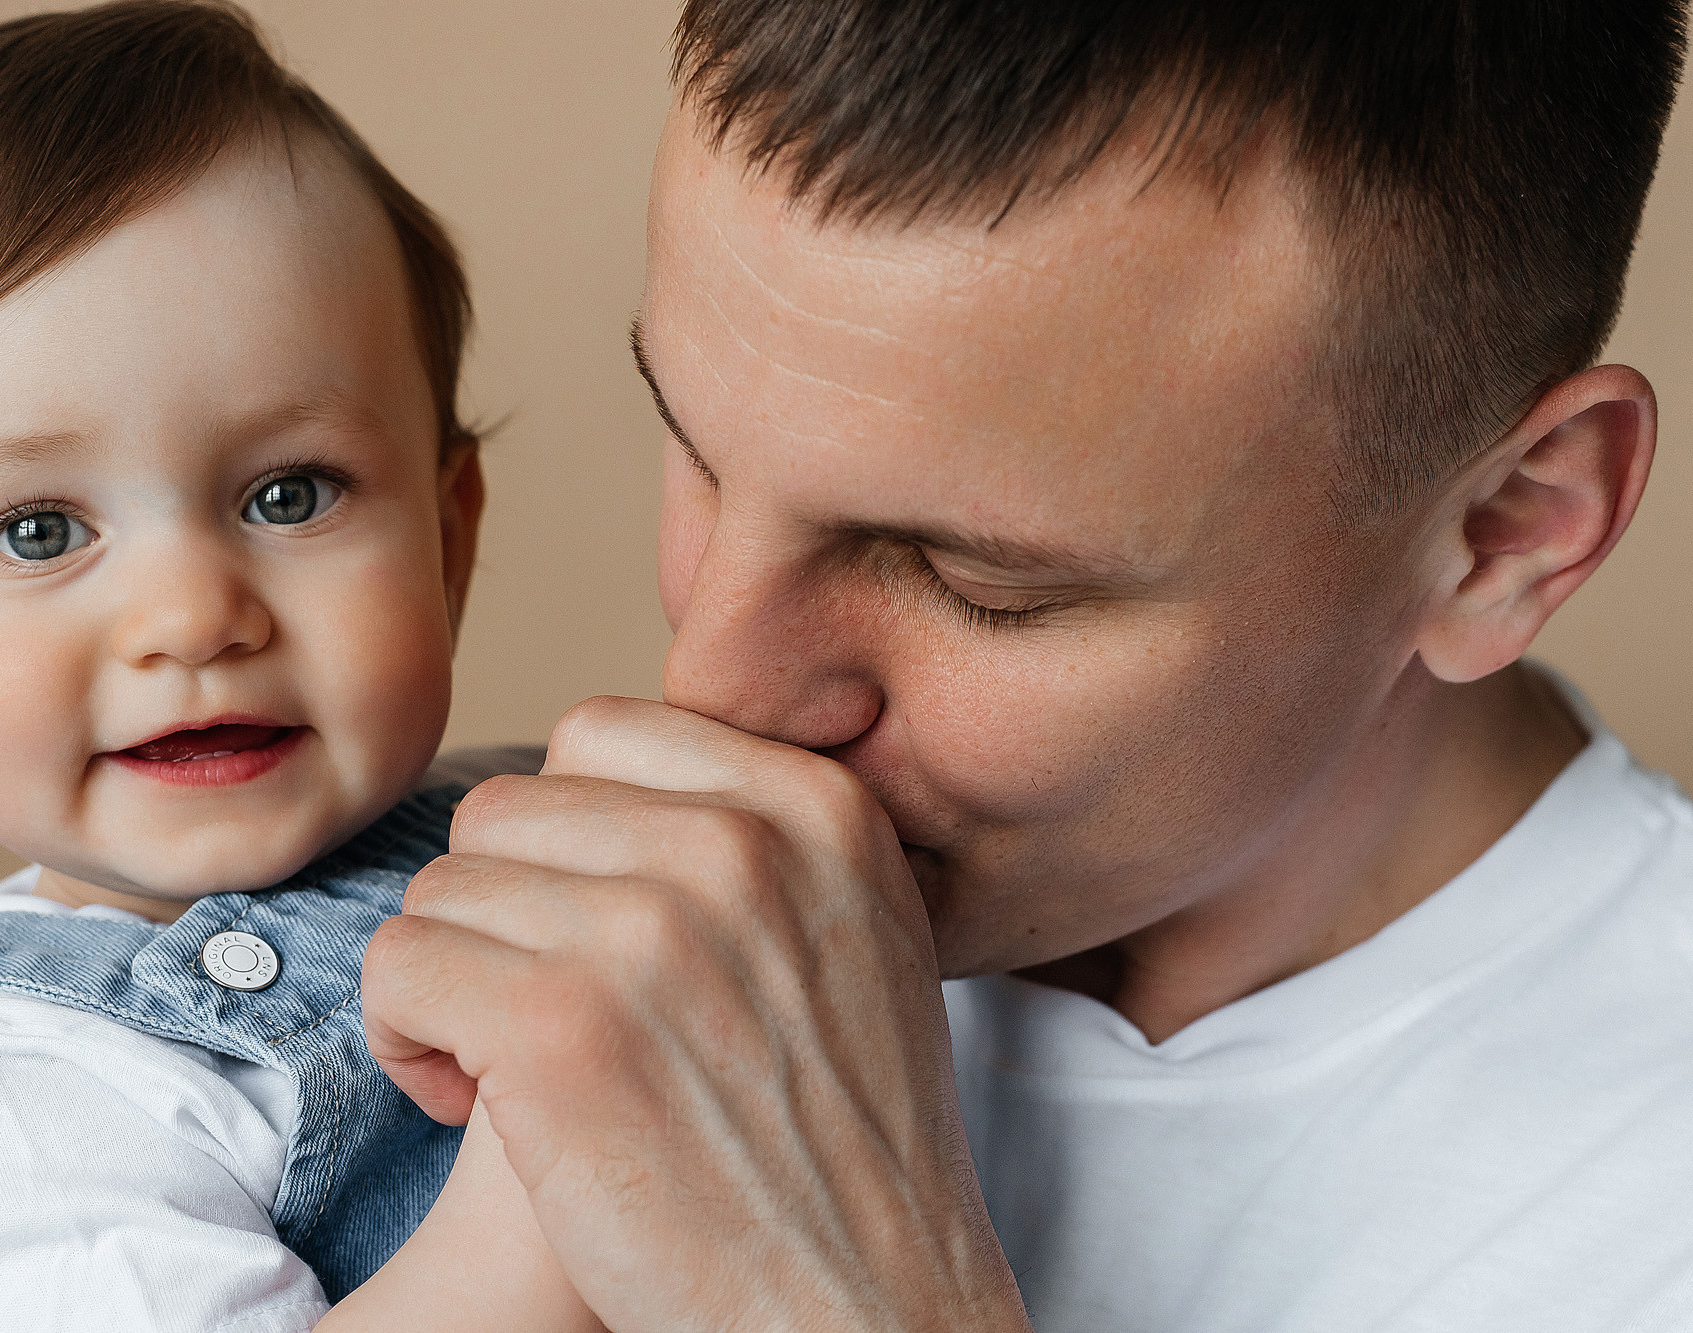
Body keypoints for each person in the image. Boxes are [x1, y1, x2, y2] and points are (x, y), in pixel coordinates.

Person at [360, 2, 1693, 1330]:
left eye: (974, 583)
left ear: (1511, 532)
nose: (711, 686)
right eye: (699, 456)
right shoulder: (383, 889)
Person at [0, 4, 600, 1331]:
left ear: (448, 535)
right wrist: (567, 1158)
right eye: (40, 530)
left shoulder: (557, 831)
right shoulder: (15, 1119)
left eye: (288, 494)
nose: (194, 617)